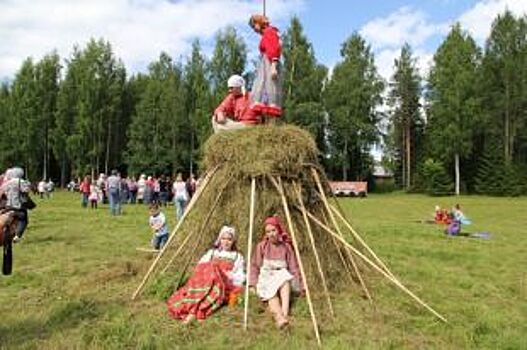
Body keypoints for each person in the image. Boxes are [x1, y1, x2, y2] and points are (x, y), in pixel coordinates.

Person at [167, 226, 245, 323]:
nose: (226, 242)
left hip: (222, 283)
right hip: (207, 282)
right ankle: (193, 311)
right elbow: (200, 267)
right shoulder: (212, 252)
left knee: (213, 267)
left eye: (229, 239)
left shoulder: (237, 256)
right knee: (210, 266)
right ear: (220, 239)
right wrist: (213, 270)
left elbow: (239, 276)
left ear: (233, 241)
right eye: (223, 239)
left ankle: (193, 313)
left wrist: (222, 274)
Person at [249, 216, 303, 329]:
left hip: (281, 275)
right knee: (271, 295)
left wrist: (300, 284)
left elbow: (293, 267)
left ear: (278, 230)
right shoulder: (262, 246)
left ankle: (284, 314)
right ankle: (280, 318)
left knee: (285, 280)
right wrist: (252, 283)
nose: (271, 234)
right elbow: (254, 266)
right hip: (267, 276)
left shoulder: (286, 247)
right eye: (268, 232)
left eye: (273, 230)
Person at [248, 14, 283, 120]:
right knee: (263, 82)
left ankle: (270, 103)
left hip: (269, 61)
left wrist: (273, 65)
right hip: (266, 62)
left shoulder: (269, 32)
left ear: (259, 23)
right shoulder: (268, 33)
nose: (254, 29)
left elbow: (273, 49)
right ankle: (265, 103)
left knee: (269, 82)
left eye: (254, 25)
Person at [0, 167, 32, 242]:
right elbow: (26, 191)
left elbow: (2, 192)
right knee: (24, 220)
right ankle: (18, 236)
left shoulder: (7, 183)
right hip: (18, 206)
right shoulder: (21, 181)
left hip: (8, 206)